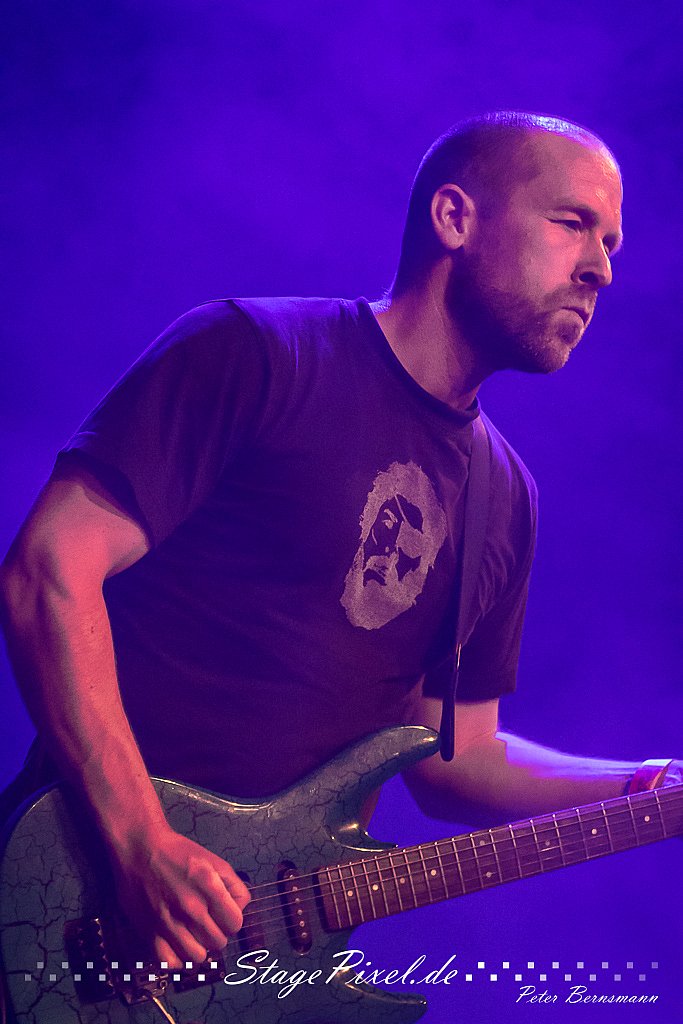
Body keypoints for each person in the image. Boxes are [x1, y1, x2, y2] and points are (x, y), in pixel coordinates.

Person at [0, 111, 680, 974]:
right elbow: (48, 570)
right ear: (454, 218)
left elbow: (457, 757)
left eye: (610, 243)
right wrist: (139, 839)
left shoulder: (505, 496)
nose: (600, 269)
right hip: (78, 910)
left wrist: (648, 786)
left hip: (248, 966)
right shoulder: (256, 354)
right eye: (572, 223)